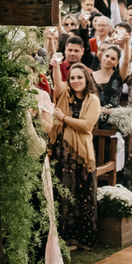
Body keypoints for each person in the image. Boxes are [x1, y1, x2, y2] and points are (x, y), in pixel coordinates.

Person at [48, 60, 101, 249]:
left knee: (83, 195)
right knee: (64, 194)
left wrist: (63, 118)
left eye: (80, 77)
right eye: (72, 78)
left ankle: (84, 239)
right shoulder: (65, 96)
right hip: (62, 153)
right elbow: (57, 83)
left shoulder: (93, 100)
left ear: (87, 79)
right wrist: (56, 67)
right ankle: (67, 239)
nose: (76, 81)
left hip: (81, 154)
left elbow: (87, 126)